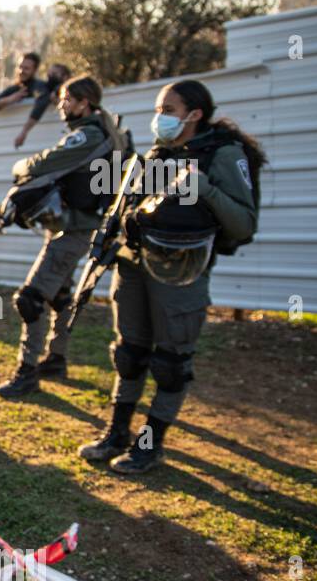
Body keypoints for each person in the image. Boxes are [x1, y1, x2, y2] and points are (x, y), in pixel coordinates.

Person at [76, 79, 260, 475]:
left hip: (181, 275)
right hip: (134, 267)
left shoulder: (223, 155)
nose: (159, 118)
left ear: (194, 115)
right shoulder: (157, 154)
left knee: (171, 362)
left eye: (168, 111)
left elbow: (244, 224)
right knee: (128, 354)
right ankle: (116, 433)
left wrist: (204, 189)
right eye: (159, 110)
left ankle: (150, 444)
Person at [0, 76, 132, 398]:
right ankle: (56, 358)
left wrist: (20, 167)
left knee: (31, 299)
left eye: (67, 99)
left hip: (73, 229)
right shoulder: (107, 133)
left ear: (85, 103)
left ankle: (26, 372)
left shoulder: (88, 135)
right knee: (60, 296)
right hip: (75, 224)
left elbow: (45, 163)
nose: (61, 105)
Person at [11, 63, 71, 150]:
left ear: (65, 77)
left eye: (54, 74)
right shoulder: (42, 88)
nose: (50, 76)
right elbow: (42, 102)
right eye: (49, 74)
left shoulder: (69, 89)